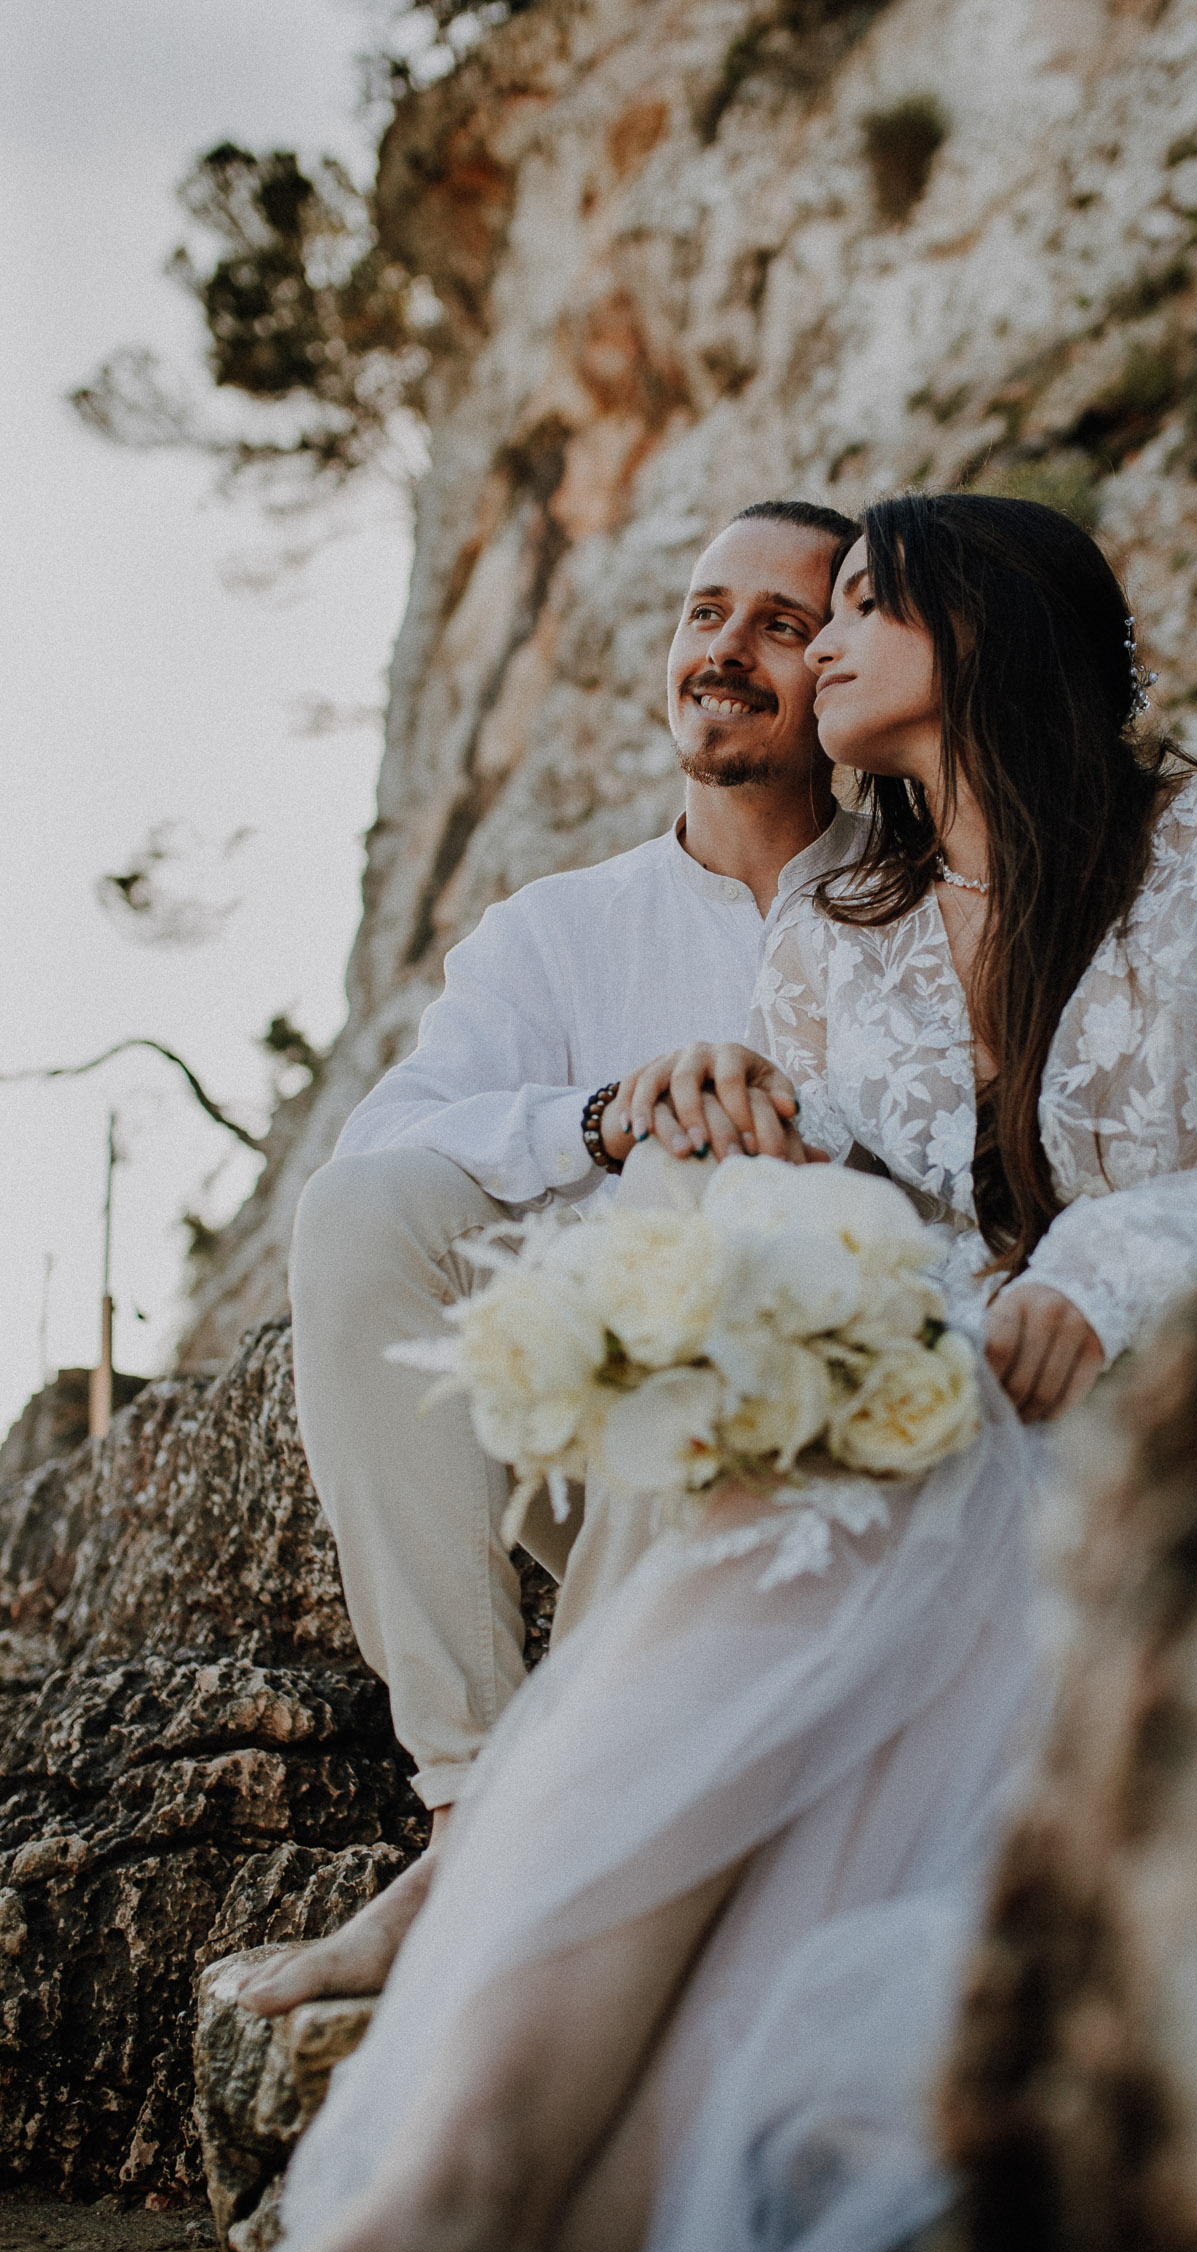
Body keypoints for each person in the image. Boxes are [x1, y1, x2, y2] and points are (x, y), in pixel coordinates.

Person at [90, 495, 1197, 2252]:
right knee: (788, 1423)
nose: (819, 643)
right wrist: (758, 1182)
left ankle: (486, 2229)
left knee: (800, 1579)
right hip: (976, 1431)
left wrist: (1117, 1260)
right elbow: (886, 1219)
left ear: (988, 621)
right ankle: (449, 2227)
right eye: (782, 612)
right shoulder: (844, 933)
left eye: (855, 604)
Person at [239, 498, 862, 2020]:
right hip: (600, 1476)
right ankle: (470, 1814)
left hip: (839, 1449)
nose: (725, 649)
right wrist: (605, 1111)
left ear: (843, 672)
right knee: (361, 1216)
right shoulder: (556, 932)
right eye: (707, 611)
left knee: (701, 1205)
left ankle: (544, 1850)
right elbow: (390, 1147)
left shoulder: (925, 899)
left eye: (780, 625)